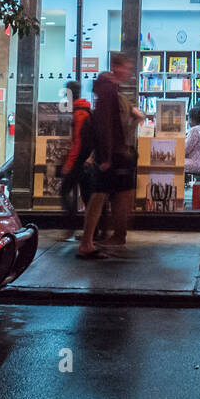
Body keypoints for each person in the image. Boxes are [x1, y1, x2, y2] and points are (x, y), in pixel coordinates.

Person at [78, 53, 143, 258]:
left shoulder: (110, 90)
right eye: (126, 67)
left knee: (116, 194)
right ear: (116, 67)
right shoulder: (109, 89)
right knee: (101, 195)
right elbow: (106, 125)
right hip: (111, 155)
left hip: (114, 153)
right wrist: (106, 157)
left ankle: (110, 236)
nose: (129, 72)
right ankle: (88, 242)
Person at [59, 80, 94, 216]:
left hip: (79, 161)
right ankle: (94, 229)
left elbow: (78, 142)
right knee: (86, 195)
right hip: (85, 161)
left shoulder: (79, 114)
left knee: (64, 191)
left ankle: (71, 224)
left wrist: (69, 164)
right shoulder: (85, 110)